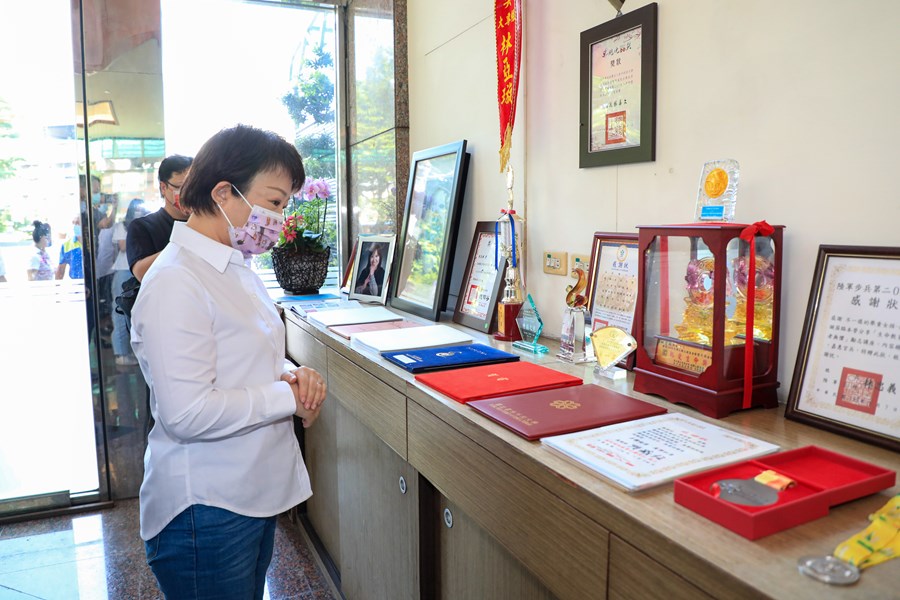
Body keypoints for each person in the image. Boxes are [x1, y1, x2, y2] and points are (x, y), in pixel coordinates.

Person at [130, 125, 325, 599]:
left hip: (245, 495)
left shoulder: (232, 265)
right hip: (206, 510)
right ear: (223, 192)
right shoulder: (176, 281)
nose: (279, 218)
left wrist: (288, 373)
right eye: (274, 202)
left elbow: (243, 355)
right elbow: (187, 413)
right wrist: (286, 396)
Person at [127, 154, 193, 282]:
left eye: (193, 187)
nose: (189, 193)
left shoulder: (208, 222)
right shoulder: (143, 227)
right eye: (181, 187)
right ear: (164, 188)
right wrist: (187, 241)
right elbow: (141, 273)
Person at [111, 199, 147, 366]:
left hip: (140, 269)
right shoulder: (122, 226)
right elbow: (124, 246)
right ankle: (121, 354)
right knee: (120, 313)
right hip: (124, 271)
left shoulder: (145, 224)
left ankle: (134, 354)